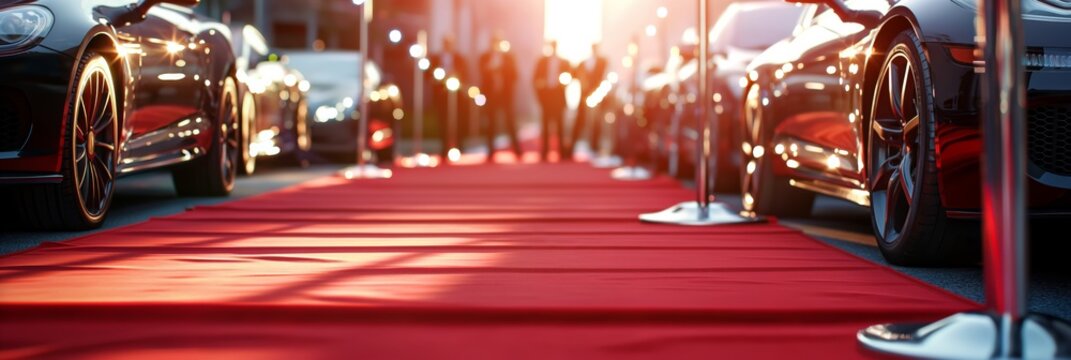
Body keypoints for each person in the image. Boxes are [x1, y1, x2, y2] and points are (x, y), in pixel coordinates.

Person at [478, 32, 523, 163]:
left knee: (510, 122)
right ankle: (490, 151)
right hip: (491, 95)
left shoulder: (509, 57)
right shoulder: (485, 57)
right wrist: (491, 67)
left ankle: (517, 149)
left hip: (505, 95)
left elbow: (515, 75)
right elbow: (481, 72)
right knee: (490, 123)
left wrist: (502, 67)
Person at [429, 35, 470, 160]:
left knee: (458, 119)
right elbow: (429, 73)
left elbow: (465, 72)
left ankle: (459, 145)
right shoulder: (435, 58)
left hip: (456, 93)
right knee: (442, 120)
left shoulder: (459, 58)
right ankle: (444, 147)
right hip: (441, 93)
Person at [569, 43, 609, 158]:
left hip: (597, 96)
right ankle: (571, 147)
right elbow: (573, 75)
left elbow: (605, 77)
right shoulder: (583, 63)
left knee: (596, 123)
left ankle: (595, 147)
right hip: (583, 97)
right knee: (580, 121)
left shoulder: (603, 62)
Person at [532, 41, 570, 162]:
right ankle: (545, 152)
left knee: (560, 125)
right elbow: (535, 79)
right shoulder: (542, 61)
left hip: (558, 96)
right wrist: (540, 91)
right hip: (546, 96)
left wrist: (563, 81)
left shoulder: (564, 62)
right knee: (545, 125)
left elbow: (570, 77)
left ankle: (561, 152)